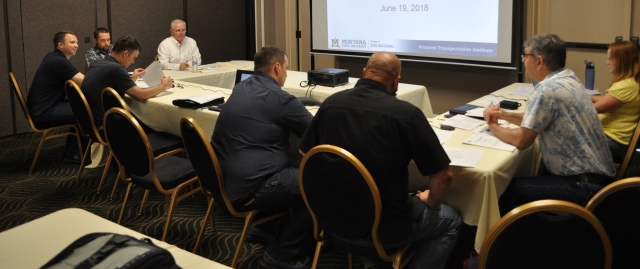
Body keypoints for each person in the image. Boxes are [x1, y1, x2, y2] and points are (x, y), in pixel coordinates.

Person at [299, 52, 461, 269]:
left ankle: (370, 261)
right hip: (384, 229)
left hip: (333, 219)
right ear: (396, 81)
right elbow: (444, 175)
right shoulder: (406, 114)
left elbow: (306, 155)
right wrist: (431, 200)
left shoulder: (331, 104)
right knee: (451, 219)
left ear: (364, 73)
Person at [484, 34, 616, 215]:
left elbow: (522, 140)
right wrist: (503, 114)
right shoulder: (568, 79)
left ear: (539, 61)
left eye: (525, 56)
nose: (523, 60)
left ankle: (526, 241)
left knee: (506, 192)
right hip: (600, 178)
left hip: (584, 186)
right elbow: (538, 118)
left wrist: (492, 125)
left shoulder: (545, 90)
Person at [210, 46, 314, 269]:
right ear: (277, 67)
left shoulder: (240, 87)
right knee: (318, 186)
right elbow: (314, 132)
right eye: (286, 68)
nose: (286, 73)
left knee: (277, 165)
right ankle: (281, 253)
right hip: (250, 188)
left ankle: (264, 228)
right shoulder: (281, 99)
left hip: (221, 181)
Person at [82, 36, 173, 127]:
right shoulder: (116, 69)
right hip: (107, 125)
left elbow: (110, 82)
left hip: (90, 121)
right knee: (155, 122)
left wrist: (131, 79)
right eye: (134, 58)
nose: (133, 62)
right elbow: (141, 96)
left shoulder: (96, 63)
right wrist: (163, 86)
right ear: (125, 54)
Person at [27, 31, 85, 162]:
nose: (76, 45)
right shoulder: (59, 61)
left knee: (80, 108)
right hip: (44, 112)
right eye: (72, 42)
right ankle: (74, 154)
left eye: (76, 42)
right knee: (87, 113)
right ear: (60, 45)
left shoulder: (52, 56)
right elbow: (86, 81)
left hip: (40, 107)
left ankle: (72, 151)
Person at [590, 40, 640, 161]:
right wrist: (586, 96)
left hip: (615, 140)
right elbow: (610, 99)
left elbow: (592, 109)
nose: (607, 63)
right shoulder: (631, 82)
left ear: (622, 61)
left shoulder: (625, 86)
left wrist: (569, 101)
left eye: (610, 59)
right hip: (615, 137)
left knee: (565, 138)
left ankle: (581, 177)